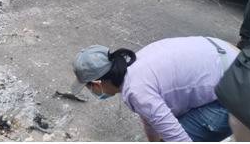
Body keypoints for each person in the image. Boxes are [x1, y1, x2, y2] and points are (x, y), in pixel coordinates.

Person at [71, 37, 239, 142]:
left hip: (239, 92)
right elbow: (150, 116)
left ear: (97, 84)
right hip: (233, 60)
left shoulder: (137, 91)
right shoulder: (136, 64)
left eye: (89, 87)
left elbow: (180, 140)